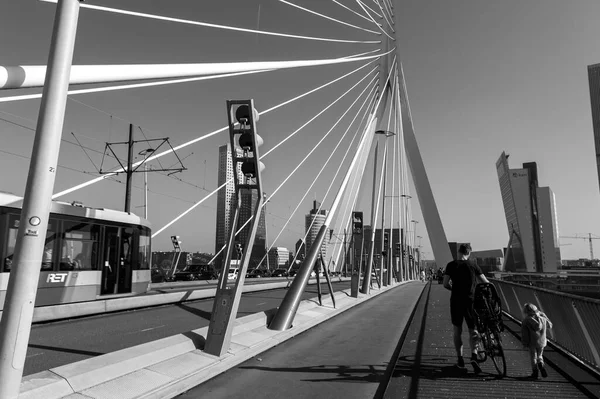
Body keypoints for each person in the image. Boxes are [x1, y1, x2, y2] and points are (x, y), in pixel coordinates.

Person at [443, 243, 490, 373]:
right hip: (471, 301)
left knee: (457, 330)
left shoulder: (451, 265)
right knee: (473, 330)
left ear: (458, 252)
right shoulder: (473, 265)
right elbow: (485, 282)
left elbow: (445, 284)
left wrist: (454, 289)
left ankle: (460, 360)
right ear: (469, 253)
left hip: (456, 301)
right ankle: (474, 356)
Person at [521, 303, 553, 379]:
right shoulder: (543, 318)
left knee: (533, 357)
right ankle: (541, 363)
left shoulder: (526, 321)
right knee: (540, 355)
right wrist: (544, 315)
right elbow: (550, 325)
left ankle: (535, 373)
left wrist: (525, 343)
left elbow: (525, 334)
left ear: (526, 312)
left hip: (532, 343)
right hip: (542, 342)